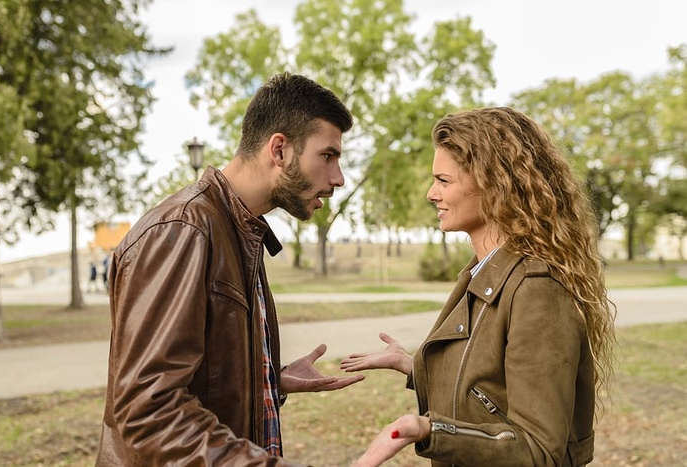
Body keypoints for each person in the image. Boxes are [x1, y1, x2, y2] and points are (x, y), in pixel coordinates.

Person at [96, 72, 365, 466]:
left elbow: (201, 380)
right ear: (279, 150)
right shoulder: (184, 230)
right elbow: (147, 411)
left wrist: (270, 381)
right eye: (328, 156)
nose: (338, 179)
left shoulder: (239, 231)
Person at [344, 107, 616, 466]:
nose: (431, 193)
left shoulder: (537, 288)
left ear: (493, 184)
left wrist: (429, 431)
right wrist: (414, 367)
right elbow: (487, 389)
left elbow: (538, 450)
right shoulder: (483, 273)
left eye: (444, 180)